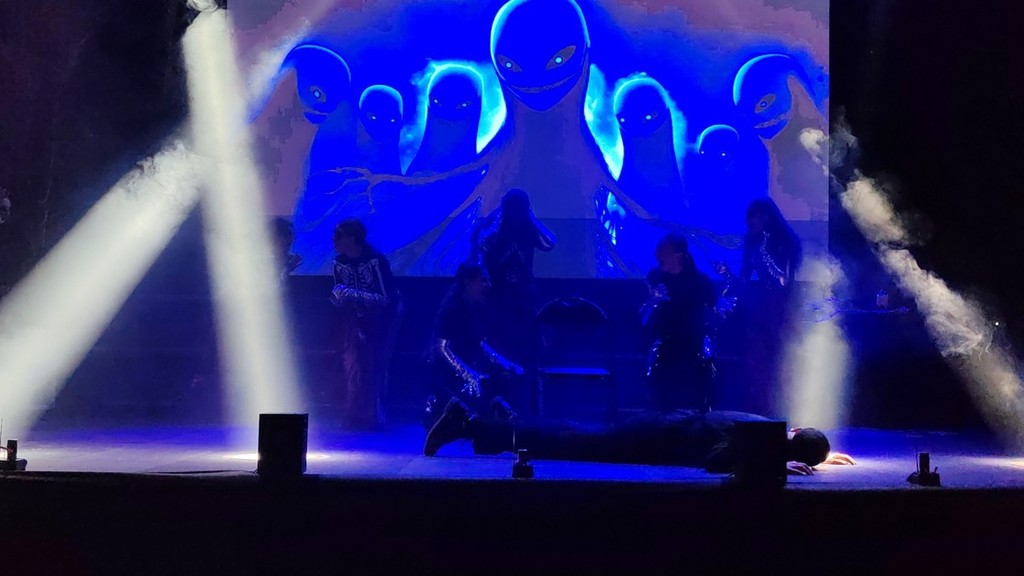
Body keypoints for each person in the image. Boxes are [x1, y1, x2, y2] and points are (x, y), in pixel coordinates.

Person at [424, 397, 856, 475]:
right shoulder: (760, 441)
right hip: (654, 437)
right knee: (568, 441)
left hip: (662, 427)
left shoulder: (766, 425)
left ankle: (480, 425)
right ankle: (472, 423)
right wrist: (777, 461)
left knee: (570, 438)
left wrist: (810, 450)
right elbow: (717, 461)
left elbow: (792, 438)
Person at [472, 189, 556, 411]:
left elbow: (549, 243)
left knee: (524, 352)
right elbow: (483, 244)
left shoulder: (528, 230)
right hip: (497, 301)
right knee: (497, 350)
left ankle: (523, 405)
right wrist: (499, 217)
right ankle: (495, 402)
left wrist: (531, 218)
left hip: (523, 300)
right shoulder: (496, 231)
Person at [428, 261, 525, 426]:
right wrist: (467, 373)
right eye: (483, 280)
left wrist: (506, 364)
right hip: (447, 370)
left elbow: (480, 343)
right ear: (468, 283)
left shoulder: (478, 307)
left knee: (508, 378)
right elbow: (441, 348)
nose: (488, 285)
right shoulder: (451, 309)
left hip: (472, 364)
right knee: (480, 387)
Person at [731, 198, 803, 416]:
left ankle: (782, 405)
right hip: (760, 302)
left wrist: (766, 257)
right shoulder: (752, 241)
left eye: (755, 219)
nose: (751, 224)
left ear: (766, 218)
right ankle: (758, 404)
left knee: (778, 353)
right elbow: (745, 274)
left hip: (781, 303)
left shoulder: (785, 241)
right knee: (757, 355)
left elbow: (785, 280)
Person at [641, 233, 723, 412]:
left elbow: (716, 310)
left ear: (677, 255)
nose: (658, 255)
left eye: (664, 251)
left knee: (704, 370)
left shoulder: (700, 281)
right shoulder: (655, 279)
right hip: (665, 343)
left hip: (693, 344)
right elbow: (643, 317)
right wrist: (653, 301)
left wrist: (721, 306)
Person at [330, 218, 398, 429]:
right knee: (353, 365)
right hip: (354, 320)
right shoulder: (339, 263)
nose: (334, 240)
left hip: (381, 320)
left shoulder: (375, 260)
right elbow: (339, 295)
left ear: (353, 238)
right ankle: (354, 412)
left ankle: (374, 415)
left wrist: (352, 294)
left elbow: (386, 297)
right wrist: (339, 296)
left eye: (340, 236)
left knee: (374, 364)